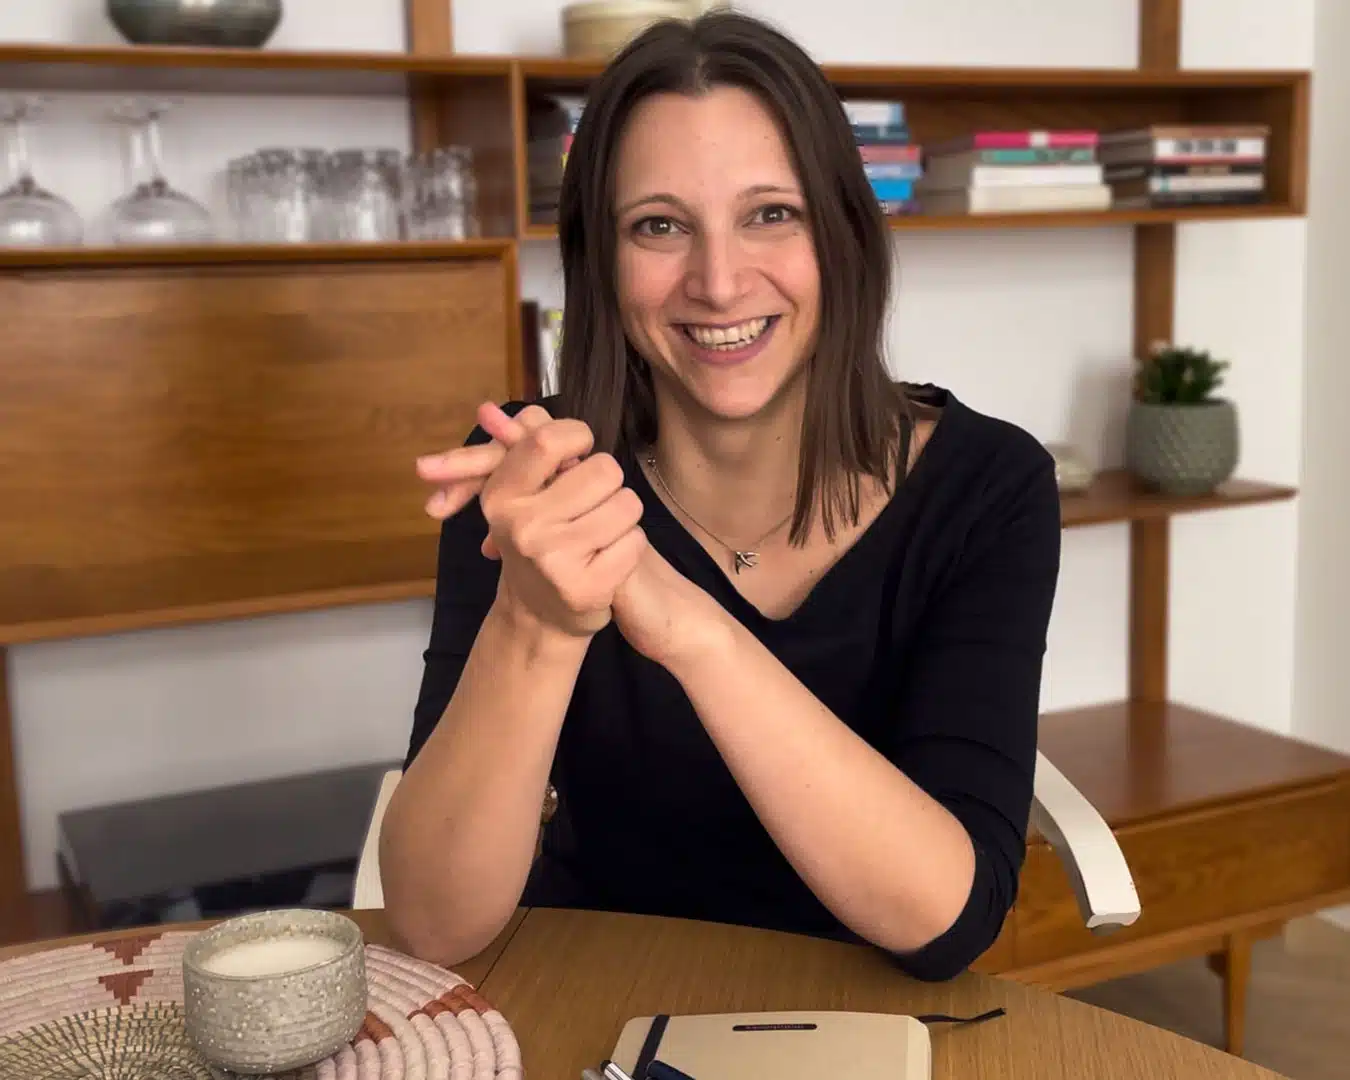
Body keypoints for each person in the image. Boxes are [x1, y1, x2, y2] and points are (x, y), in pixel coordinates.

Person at [379, 9, 1062, 983]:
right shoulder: (534, 482)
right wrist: (535, 625)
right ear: (601, 263)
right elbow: (437, 927)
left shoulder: (989, 489)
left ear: (842, 234)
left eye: (769, 214)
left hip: (860, 1018)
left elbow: (945, 920)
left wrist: (687, 627)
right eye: (658, 225)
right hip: (588, 997)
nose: (718, 279)